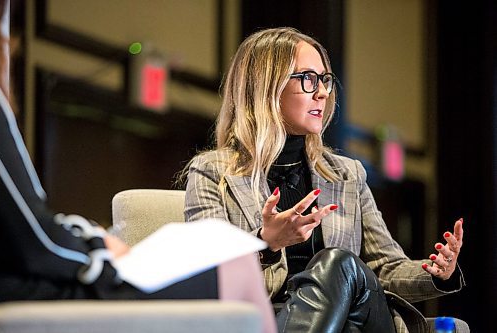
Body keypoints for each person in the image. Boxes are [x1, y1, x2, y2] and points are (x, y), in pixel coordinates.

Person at [0, 2, 277, 332]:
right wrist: (100, 250)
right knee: (235, 263)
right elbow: (37, 243)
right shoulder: (210, 169)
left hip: (29, 277)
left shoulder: (348, 173)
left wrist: (90, 234)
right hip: (28, 288)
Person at [183, 27, 465, 332]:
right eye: (308, 79)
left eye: (325, 80)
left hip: (356, 312)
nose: (323, 92)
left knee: (338, 264)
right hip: (267, 320)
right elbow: (206, 277)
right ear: (266, 87)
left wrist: (436, 273)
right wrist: (265, 245)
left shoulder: (346, 174)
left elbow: (385, 267)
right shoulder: (212, 172)